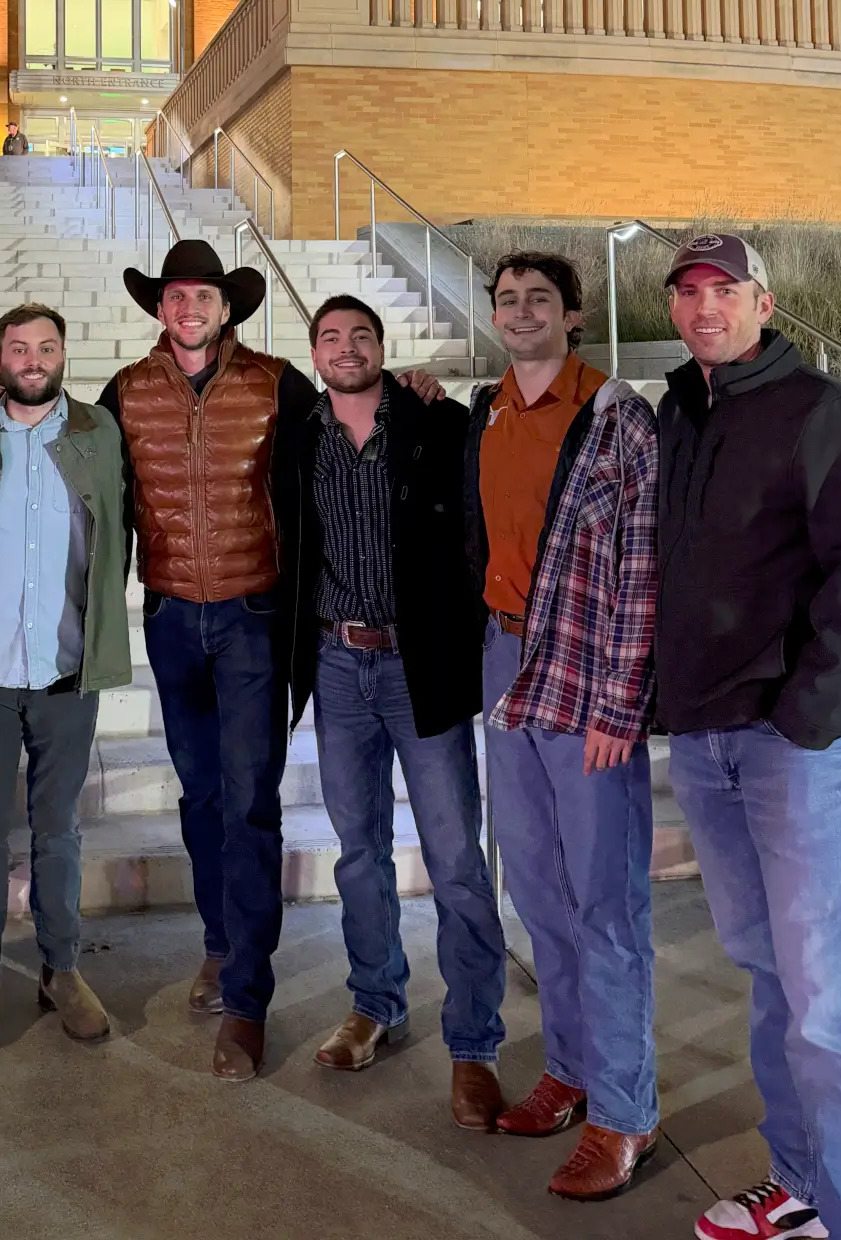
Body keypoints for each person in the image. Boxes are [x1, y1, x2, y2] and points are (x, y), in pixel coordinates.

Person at [657, 233, 841, 1240]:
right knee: (768, 977)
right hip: (707, 739)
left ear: (764, 301)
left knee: (827, 1006)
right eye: (688, 290)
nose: (705, 306)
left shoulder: (834, 417)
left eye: (726, 289)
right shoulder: (682, 412)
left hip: (796, 751)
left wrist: (802, 721)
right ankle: (799, 1182)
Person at [97, 240, 317, 1083]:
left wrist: (408, 394)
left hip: (253, 615)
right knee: (200, 795)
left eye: (205, 296)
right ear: (160, 307)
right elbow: (85, 473)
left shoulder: (275, 384)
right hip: (170, 616)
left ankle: (248, 1000)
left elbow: (339, 441)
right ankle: (221, 943)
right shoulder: (126, 391)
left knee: (250, 802)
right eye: (177, 295)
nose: (189, 308)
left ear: (227, 309)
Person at [468, 251, 661, 1201]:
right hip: (505, 663)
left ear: (573, 315)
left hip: (587, 676)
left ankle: (626, 1111)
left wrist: (622, 702)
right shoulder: (487, 409)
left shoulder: (617, 417)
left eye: (538, 298)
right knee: (540, 892)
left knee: (605, 905)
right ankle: (572, 1070)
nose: (520, 311)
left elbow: (644, 565)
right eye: (506, 299)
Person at [292, 297, 507, 1130]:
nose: (346, 349)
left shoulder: (434, 422)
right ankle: (375, 1002)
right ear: (314, 354)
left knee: (454, 860)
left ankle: (475, 1041)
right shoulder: (299, 435)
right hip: (338, 663)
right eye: (331, 338)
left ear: (383, 348)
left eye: (361, 336)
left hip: (420, 664)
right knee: (358, 851)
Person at [0, 306, 130, 1058]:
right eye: (19, 347)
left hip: (64, 669)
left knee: (59, 830)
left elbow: (121, 530)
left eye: (47, 346)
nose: (33, 358)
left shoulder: (98, 432)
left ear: (64, 353)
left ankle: (62, 969)